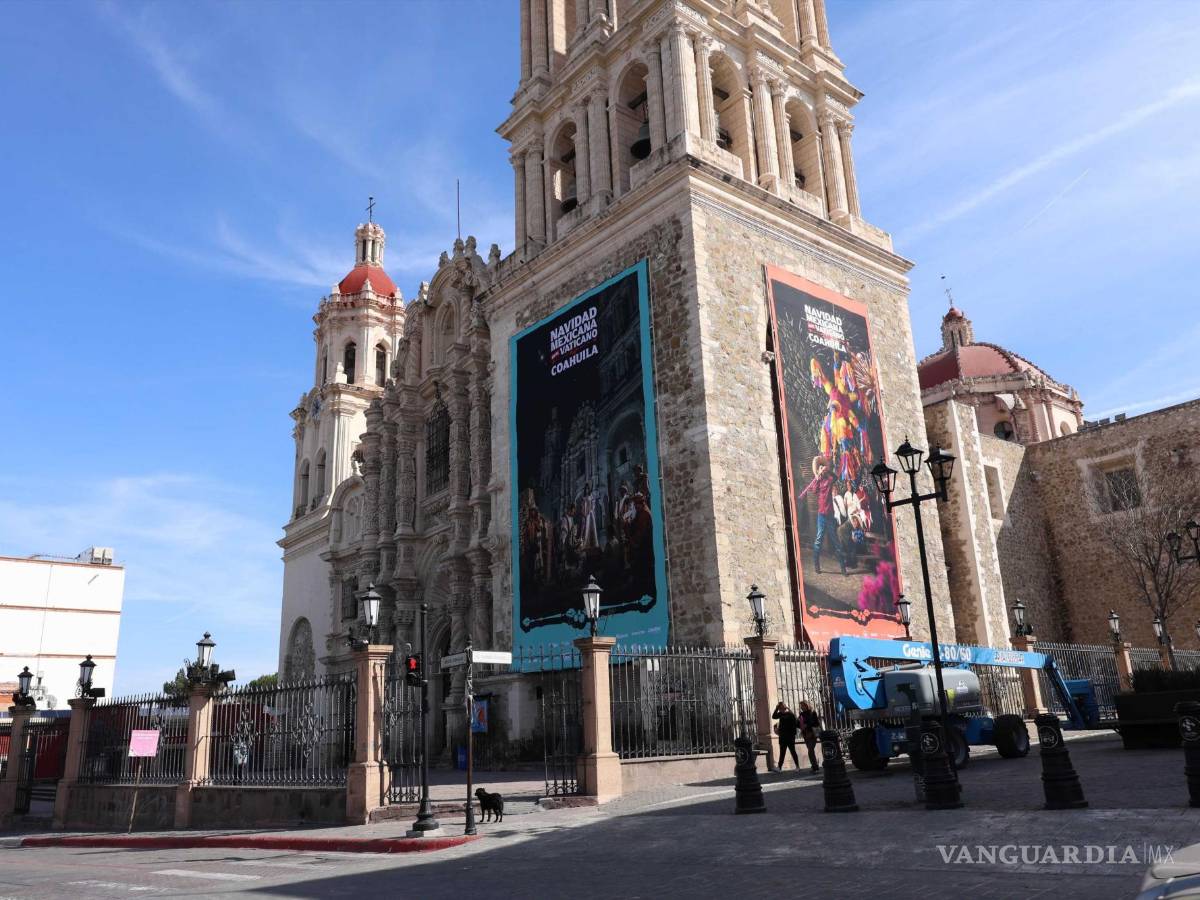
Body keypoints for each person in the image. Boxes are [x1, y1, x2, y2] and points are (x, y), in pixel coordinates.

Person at [772, 702, 801, 772]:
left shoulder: (790, 714)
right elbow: (773, 716)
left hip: (790, 736)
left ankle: (797, 766)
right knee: (782, 752)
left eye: (781, 708)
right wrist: (776, 708)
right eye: (779, 708)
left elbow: (795, 724)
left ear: (784, 707)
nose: (780, 709)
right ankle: (779, 767)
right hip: (782, 736)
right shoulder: (780, 714)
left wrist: (793, 734)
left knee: (793, 751)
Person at [798, 700, 822, 774]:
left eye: (803, 706)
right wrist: (800, 725)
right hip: (805, 734)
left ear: (807, 705)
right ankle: (815, 764)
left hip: (812, 734)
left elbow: (816, 723)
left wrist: (807, 725)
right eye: (801, 706)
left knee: (810, 751)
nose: (802, 707)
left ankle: (815, 767)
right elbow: (798, 723)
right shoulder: (801, 714)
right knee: (810, 750)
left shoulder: (812, 713)